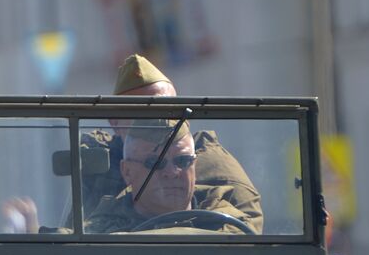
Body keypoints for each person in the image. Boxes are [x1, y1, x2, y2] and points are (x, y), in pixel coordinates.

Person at [81, 54, 261, 231]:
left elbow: (247, 232)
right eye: (144, 114)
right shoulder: (100, 164)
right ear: (115, 122)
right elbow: (78, 238)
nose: (160, 121)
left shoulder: (211, 162)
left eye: (169, 110)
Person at [83, 122, 259, 234]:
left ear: (195, 165)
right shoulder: (96, 237)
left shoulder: (233, 228)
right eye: (155, 163)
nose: (172, 172)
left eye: (183, 161)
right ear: (127, 171)